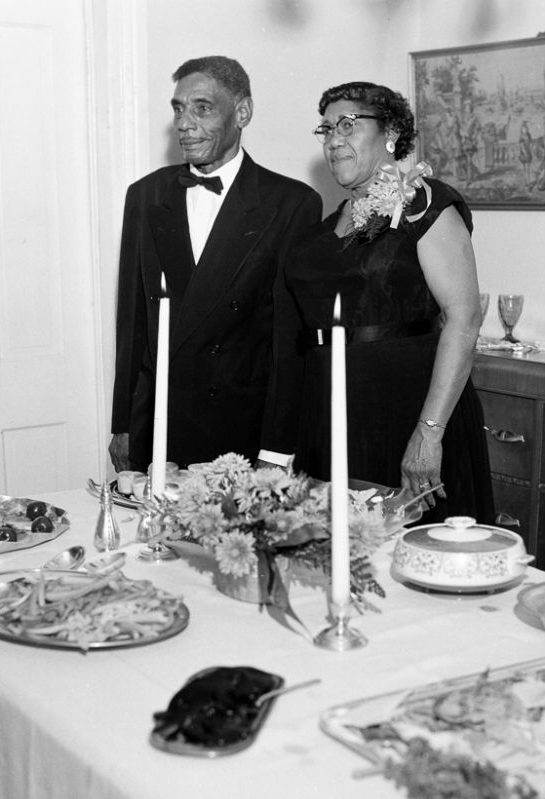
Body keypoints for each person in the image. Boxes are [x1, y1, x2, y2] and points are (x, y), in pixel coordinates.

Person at [261, 82, 494, 524]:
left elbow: (464, 319)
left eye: (347, 125)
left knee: (416, 561)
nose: (333, 141)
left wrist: (429, 434)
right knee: (334, 564)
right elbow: (289, 342)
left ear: (389, 132)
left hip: (407, 410)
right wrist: (277, 448)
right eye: (326, 130)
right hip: (327, 414)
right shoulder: (318, 231)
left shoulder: (425, 205)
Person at [109, 56, 322, 472]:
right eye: (178, 109)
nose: (184, 124)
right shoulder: (146, 195)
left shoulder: (292, 203)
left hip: (242, 432)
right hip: (160, 425)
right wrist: (123, 425)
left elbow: (288, 344)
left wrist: (277, 450)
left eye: (202, 108)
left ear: (242, 112)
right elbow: (132, 325)